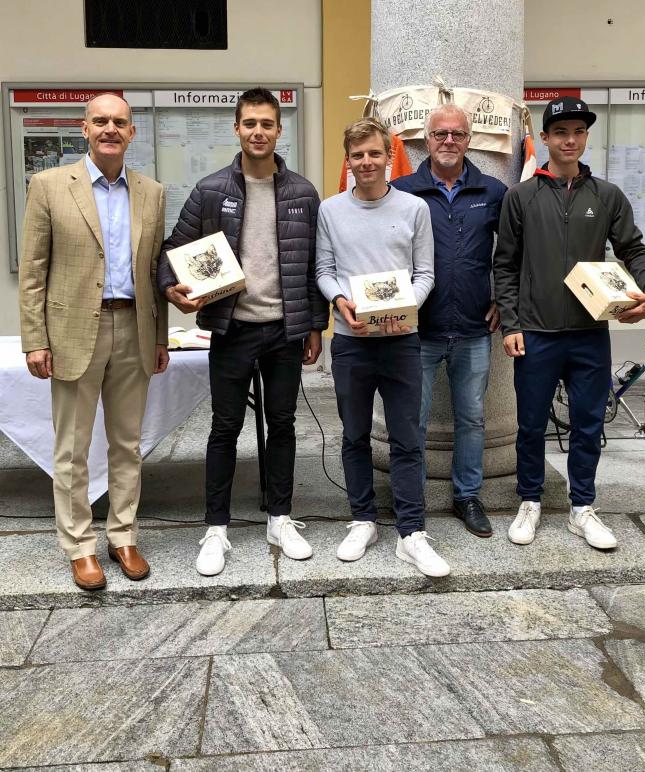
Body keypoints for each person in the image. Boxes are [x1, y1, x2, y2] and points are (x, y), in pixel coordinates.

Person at [158, 87, 328, 574]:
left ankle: (280, 517)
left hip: (284, 331)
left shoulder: (302, 192)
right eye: (249, 123)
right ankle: (216, 529)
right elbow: (173, 250)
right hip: (231, 330)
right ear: (236, 128)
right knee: (224, 429)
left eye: (267, 124)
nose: (258, 131)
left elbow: (315, 262)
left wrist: (316, 324)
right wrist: (173, 288)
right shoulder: (211, 190)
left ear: (280, 131)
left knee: (283, 426)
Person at [494, 96, 645, 549]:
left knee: (589, 424)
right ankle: (529, 500)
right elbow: (505, 266)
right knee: (530, 424)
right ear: (546, 138)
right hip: (536, 332)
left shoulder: (607, 196)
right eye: (561, 132)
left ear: (586, 137)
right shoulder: (521, 197)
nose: (570, 140)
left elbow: (634, 250)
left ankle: (582, 508)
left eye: (578, 132)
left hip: (591, 333)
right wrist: (510, 324)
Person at [19, 93, 169, 590]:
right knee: (72, 448)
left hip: (134, 327)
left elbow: (154, 271)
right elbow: (34, 272)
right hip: (71, 332)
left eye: (119, 122)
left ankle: (123, 534)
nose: (110, 128)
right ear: (84, 129)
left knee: (128, 443)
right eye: (100, 121)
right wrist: (35, 339)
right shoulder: (47, 186)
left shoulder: (151, 192)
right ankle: (80, 546)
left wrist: (161, 337)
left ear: (132, 133)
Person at [316, 117, 450, 577]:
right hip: (352, 342)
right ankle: (363, 519)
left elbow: (425, 274)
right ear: (348, 161)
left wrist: (400, 307)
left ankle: (411, 531)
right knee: (354, 435)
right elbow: (324, 270)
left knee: (406, 437)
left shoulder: (414, 208)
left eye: (375, 153)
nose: (367, 162)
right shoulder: (330, 210)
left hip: (400, 341)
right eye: (358, 155)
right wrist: (339, 298)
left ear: (388, 156)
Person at [393, 105, 506, 537]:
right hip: (417, 329)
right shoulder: (402, 191)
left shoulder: (492, 191)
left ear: (469, 138)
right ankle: (411, 498)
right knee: (413, 420)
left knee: (472, 418)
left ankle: (468, 496)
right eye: (440, 133)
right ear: (426, 138)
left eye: (457, 134)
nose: (448, 141)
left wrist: (503, 301)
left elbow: (512, 255)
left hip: (475, 328)